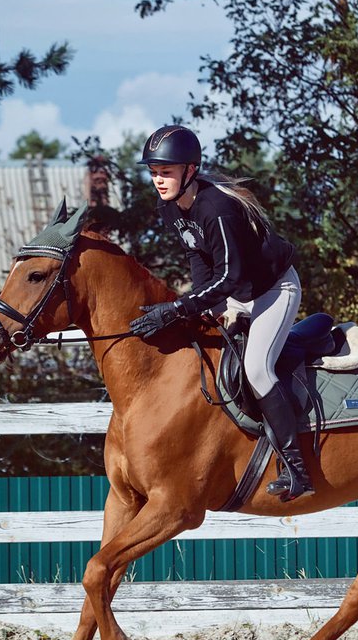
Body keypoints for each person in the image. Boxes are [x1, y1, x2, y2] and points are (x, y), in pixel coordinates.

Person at [128, 124, 312, 502]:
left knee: (257, 369)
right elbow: (200, 263)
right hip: (238, 291)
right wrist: (194, 307)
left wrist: (178, 308)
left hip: (274, 290)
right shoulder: (171, 207)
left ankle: (296, 468)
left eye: (165, 172)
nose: (158, 180)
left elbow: (231, 276)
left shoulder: (218, 208)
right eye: (154, 172)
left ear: (189, 171)